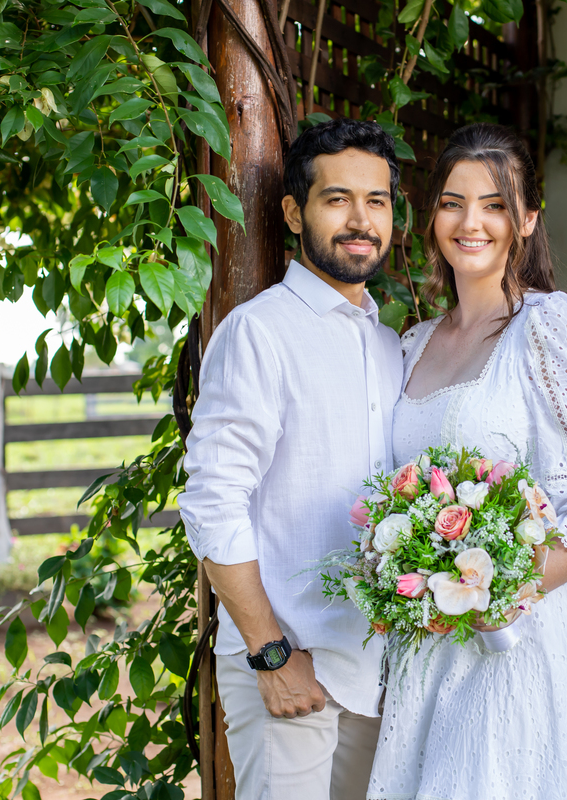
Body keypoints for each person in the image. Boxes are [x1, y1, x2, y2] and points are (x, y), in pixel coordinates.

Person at [366, 123, 567, 800]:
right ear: (433, 215)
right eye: (453, 203)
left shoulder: (552, 327)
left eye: (494, 205)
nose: (471, 223)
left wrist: (491, 597)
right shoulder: (411, 344)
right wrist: (425, 587)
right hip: (428, 648)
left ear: (527, 220)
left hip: (526, 641)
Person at [179, 117, 403, 800]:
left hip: (375, 670)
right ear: (293, 212)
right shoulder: (260, 334)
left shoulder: (389, 345)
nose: (361, 220)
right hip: (287, 662)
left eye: (377, 201)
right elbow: (212, 502)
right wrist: (270, 654)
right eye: (337, 199)